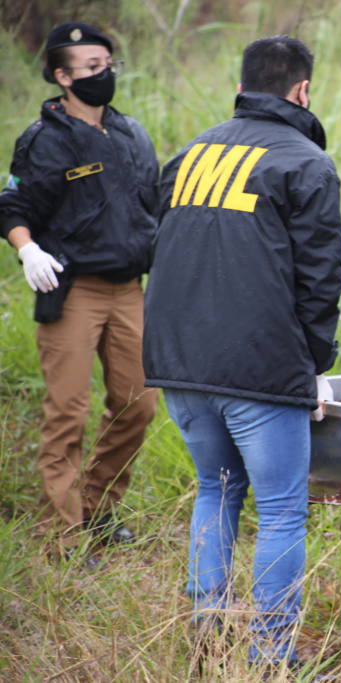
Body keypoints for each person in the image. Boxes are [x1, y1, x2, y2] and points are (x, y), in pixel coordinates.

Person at [142, 36, 341, 666]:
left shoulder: (192, 153)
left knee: (216, 489)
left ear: (245, 84)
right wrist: (311, 366)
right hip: (258, 368)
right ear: (302, 90)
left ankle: (207, 636)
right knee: (282, 510)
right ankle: (270, 656)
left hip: (180, 362)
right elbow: (320, 276)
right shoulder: (305, 161)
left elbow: (162, 245)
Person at [0, 22, 159, 558]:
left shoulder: (132, 133)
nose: (102, 74)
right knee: (67, 410)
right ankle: (58, 535)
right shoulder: (44, 140)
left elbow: (151, 207)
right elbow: (13, 206)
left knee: (138, 404)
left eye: (106, 64)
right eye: (90, 68)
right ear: (62, 76)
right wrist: (27, 250)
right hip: (73, 290)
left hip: (130, 290)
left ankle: (95, 507)